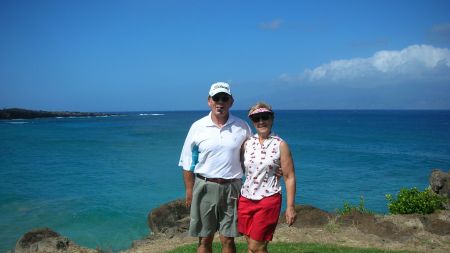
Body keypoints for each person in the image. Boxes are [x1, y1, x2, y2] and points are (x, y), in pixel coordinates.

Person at [179, 82, 252, 253]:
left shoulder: (242, 127)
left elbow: (253, 156)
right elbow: (187, 162)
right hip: (205, 186)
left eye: (224, 98)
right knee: (205, 239)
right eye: (216, 98)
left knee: (228, 239)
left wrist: (274, 168)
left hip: (232, 187)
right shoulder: (198, 127)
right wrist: (189, 191)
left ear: (231, 101)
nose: (220, 102)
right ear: (209, 101)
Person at [238, 102, 297, 253]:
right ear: (252, 121)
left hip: (268, 199)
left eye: (265, 117)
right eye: (256, 118)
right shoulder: (247, 143)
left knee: (256, 246)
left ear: (272, 118)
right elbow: (240, 167)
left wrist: (290, 207)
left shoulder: (280, 145)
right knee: (252, 247)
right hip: (245, 198)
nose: (261, 121)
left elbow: (289, 176)